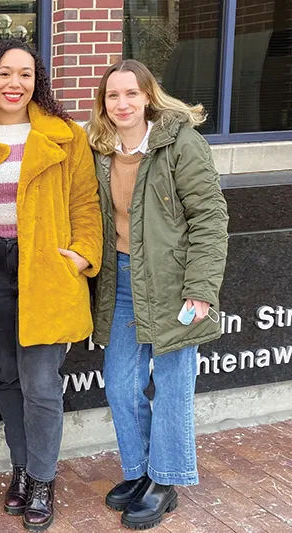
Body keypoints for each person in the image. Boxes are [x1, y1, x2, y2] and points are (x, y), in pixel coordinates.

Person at [0, 40, 103, 531]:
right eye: (3, 74)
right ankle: (20, 470)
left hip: (44, 267)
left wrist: (82, 253)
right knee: (7, 378)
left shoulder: (65, 135)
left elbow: (86, 201)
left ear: (36, 80)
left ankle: (43, 478)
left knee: (41, 383)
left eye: (24, 74)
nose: (13, 84)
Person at [86, 59, 228, 530]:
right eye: (112, 96)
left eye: (131, 93)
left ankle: (165, 481)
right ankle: (143, 470)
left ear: (149, 95)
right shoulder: (100, 149)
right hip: (122, 281)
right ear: (103, 103)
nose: (122, 103)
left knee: (171, 385)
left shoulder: (181, 144)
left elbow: (210, 218)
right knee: (120, 383)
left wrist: (202, 288)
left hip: (174, 284)